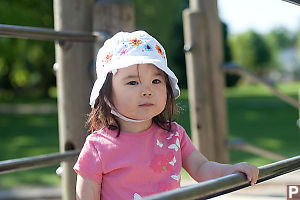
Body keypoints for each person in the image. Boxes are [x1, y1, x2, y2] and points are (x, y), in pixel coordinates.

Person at [74, 30, 259, 200]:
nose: (147, 90)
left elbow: (202, 168)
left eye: (156, 81)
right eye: (132, 82)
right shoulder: (97, 147)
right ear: (106, 93)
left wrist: (231, 170)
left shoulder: (174, 135)